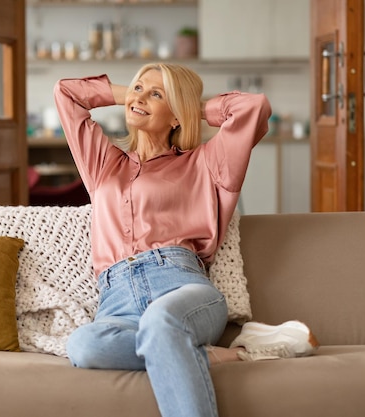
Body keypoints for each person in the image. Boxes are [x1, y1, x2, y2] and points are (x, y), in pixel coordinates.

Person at [54, 63, 317, 417]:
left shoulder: (207, 163)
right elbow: (67, 93)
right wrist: (129, 93)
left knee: (161, 321)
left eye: (156, 94)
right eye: (139, 88)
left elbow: (254, 108)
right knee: (84, 345)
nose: (141, 97)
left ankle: (172, 342)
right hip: (117, 303)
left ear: (177, 116)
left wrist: (190, 106)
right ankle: (224, 353)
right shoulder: (103, 164)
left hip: (180, 288)